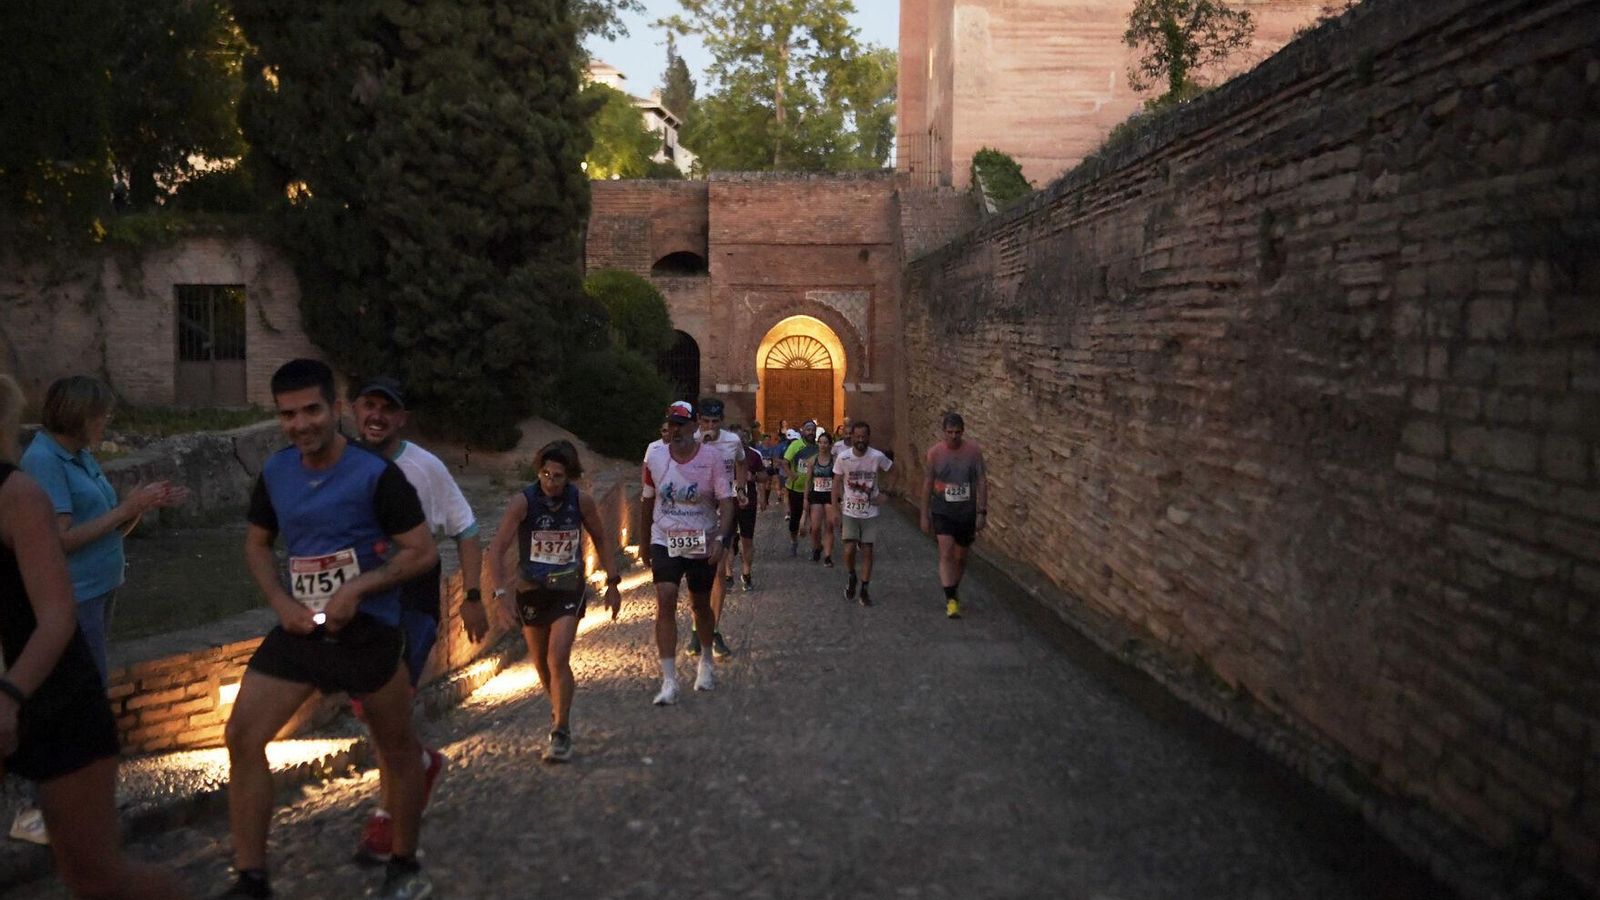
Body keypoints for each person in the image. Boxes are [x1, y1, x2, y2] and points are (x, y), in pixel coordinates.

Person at [220, 359, 438, 899]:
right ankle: (251, 879)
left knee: (397, 748)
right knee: (242, 737)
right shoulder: (276, 472)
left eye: (311, 410)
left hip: (369, 632)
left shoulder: (376, 475)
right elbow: (255, 544)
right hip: (300, 630)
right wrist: (277, 601)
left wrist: (357, 589)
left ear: (335, 409)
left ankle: (404, 866)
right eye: (288, 415)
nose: (300, 425)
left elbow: (422, 552)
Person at [0, 374, 191, 899]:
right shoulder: (41, 466)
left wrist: (135, 508)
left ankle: (79, 804)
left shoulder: (78, 458)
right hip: (72, 597)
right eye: (102, 413)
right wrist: (126, 510)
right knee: (81, 699)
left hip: (97, 589)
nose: (107, 421)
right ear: (80, 414)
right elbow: (59, 543)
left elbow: (101, 525)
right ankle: (48, 811)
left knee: (90, 696)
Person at [348, 376, 485, 864]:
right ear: (354, 410)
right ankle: (421, 763)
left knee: (386, 710)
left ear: (401, 418)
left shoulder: (424, 468)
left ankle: (386, 820)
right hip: (358, 604)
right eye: (369, 405)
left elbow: (467, 529)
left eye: (388, 408)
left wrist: (472, 596)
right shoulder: (341, 463)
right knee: (373, 712)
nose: (377, 415)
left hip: (411, 604)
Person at [486, 440, 621, 762]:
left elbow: (601, 538)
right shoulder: (523, 502)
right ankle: (557, 708)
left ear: (569, 476)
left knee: (557, 656)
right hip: (531, 590)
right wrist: (500, 594)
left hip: (567, 588)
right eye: (545, 474)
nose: (551, 481)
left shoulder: (581, 501)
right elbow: (496, 548)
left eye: (558, 476)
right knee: (541, 664)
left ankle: (560, 730)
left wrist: (613, 582)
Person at [639, 400, 735, 705]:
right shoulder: (654, 454)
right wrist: (644, 542)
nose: (676, 429)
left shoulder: (712, 458)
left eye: (682, 424)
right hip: (664, 537)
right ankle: (669, 680)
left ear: (695, 426)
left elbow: (727, 501)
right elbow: (646, 499)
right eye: (672, 423)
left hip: (701, 537)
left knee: (700, 605)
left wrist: (722, 537)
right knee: (665, 598)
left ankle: (705, 660)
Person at [920, 412, 988, 619]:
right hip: (943, 511)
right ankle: (950, 599)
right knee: (946, 552)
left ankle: (953, 589)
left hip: (965, 512)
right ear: (944, 432)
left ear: (963, 432)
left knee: (960, 557)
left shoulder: (973, 452)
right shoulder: (935, 453)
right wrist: (924, 514)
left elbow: (982, 481)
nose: (953, 436)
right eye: (950, 432)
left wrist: (981, 512)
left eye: (957, 432)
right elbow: (928, 483)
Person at [691, 397, 744, 658]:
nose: (710, 426)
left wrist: (741, 488)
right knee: (696, 574)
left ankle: (713, 629)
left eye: (715, 421)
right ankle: (696, 626)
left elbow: (742, 463)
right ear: (699, 420)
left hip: (723, 513)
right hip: (695, 514)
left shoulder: (733, 442)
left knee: (719, 572)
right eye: (705, 421)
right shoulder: (690, 441)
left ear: (721, 421)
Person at [832, 421, 894, 606]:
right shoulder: (843, 457)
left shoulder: (877, 456)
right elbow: (836, 483)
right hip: (850, 511)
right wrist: (835, 509)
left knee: (867, 550)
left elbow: (894, 471)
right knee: (849, 549)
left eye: (863, 437)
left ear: (868, 437)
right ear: (851, 437)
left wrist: (886, 493)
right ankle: (852, 575)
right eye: (856, 437)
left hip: (870, 511)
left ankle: (864, 589)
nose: (860, 440)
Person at [725, 425, 766, 590]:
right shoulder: (722, 455)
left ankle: (746, 573)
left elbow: (764, 476)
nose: (738, 441)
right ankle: (728, 575)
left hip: (747, 503)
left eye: (741, 438)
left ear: (746, 438)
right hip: (727, 503)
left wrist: (754, 476)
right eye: (734, 438)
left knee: (746, 540)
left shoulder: (754, 455)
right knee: (727, 540)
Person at [779, 422, 818, 556]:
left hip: (813, 488)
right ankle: (794, 542)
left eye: (813, 430)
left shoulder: (818, 447)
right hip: (796, 488)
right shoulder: (795, 445)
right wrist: (791, 474)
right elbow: (784, 462)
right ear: (803, 431)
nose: (810, 432)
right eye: (808, 430)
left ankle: (815, 547)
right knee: (795, 518)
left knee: (815, 518)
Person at [801, 429, 839, 566]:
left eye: (826, 443)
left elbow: (838, 480)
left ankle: (828, 556)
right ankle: (817, 547)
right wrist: (805, 499)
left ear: (830, 445)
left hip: (830, 495)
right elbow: (808, 480)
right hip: (816, 495)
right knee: (815, 527)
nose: (823, 445)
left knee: (829, 525)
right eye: (821, 442)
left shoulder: (835, 461)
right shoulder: (812, 460)